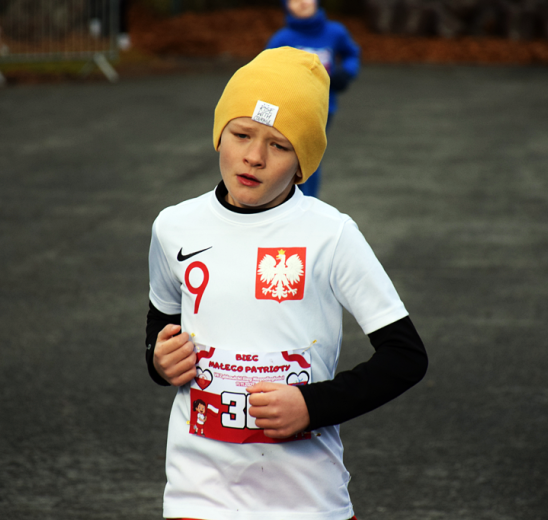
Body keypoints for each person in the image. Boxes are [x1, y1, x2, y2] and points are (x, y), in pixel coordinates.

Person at [145, 47, 427, 520]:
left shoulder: (331, 234)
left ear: (302, 163)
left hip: (306, 498)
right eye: (241, 134)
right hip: (198, 492)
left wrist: (312, 405)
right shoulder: (174, 226)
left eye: (278, 144)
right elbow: (162, 327)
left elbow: (406, 357)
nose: (253, 157)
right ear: (219, 136)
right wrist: (159, 360)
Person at [266, 0, 361, 198]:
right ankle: (289, 200)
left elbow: (352, 54)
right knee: (292, 156)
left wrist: (347, 72)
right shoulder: (282, 38)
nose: (302, 2)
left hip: (323, 108)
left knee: (308, 156)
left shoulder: (335, 32)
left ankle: (308, 202)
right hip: (289, 109)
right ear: (286, 6)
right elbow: (264, 70)